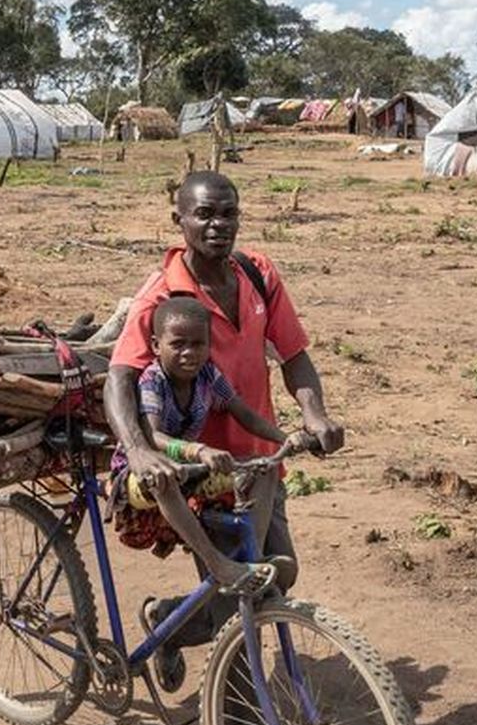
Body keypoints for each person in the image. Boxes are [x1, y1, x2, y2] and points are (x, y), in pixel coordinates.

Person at [106, 172, 345, 678]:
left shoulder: (258, 273)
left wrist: (314, 416)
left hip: (258, 462)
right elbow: (120, 377)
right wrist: (141, 449)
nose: (218, 225)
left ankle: (169, 621)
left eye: (228, 213)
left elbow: (294, 355)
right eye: (205, 214)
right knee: (243, 601)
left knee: (280, 574)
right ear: (179, 221)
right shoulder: (162, 298)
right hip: (203, 476)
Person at [113, 296, 296, 594]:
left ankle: (254, 557)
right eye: (178, 344)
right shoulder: (152, 380)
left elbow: (243, 412)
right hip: (142, 470)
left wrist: (283, 437)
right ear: (157, 346)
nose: (189, 353)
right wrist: (198, 450)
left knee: (263, 469)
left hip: (189, 469)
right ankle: (218, 565)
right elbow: (154, 436)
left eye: (198, 344)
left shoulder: (209, 375)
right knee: (165, 480)